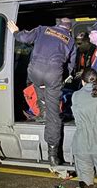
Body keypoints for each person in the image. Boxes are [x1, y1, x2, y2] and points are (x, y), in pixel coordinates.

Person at [7, 17, 76, 169]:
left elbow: (24, 38)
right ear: (69, 29)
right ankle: (52, 155)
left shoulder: (42, 29)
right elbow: (71, 66)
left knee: (38, 85)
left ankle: (42, 110)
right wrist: (61, 79)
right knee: (54, 116)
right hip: (53, 75)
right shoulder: (70, 41)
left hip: (34, 73)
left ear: (57, 25)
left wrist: (15, 31)